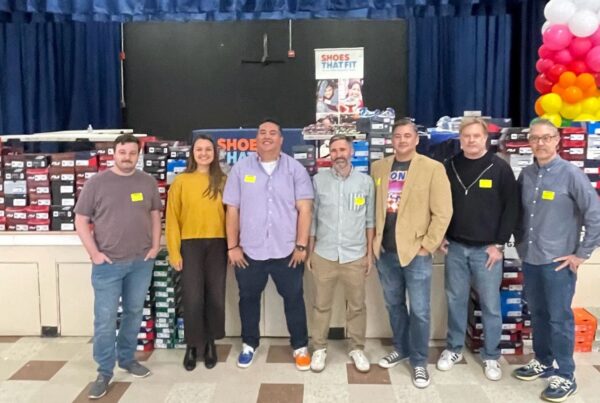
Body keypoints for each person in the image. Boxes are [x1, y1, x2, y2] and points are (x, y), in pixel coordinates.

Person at [513, 119, 600, 402]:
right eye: (535, 138)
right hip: (531, 258)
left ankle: (565, 375)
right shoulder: (525, 175)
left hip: (558, 263)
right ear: (529, 142)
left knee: (559, 318)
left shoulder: (571, 174)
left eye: (546, 137)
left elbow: (594, 215)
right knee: (537, 315)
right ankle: (543, 360)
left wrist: (582, 254)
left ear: (558, 140)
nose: (540, 143)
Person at [74, 134, 161, 400]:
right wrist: (94, 253)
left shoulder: (147, 182)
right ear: (114, 153)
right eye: (122, 152)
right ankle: (104, 371)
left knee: (134, 312)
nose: (127, 157)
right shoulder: (97, 183)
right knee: (105, 320)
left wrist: (155, 247)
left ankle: (127, 359)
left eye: (132, 153)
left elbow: (156, 215)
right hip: (108, 265)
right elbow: (80, 219)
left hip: (140, 262)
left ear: (138, 154)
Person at [223, 118, 314, 371]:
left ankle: (300, 347)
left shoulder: (295, 169)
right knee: (248, 299)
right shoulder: (241, 170)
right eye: (262, 132)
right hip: (249, 252)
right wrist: (233, 246)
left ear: (281, 140)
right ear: (256, 139)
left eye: (273, 133)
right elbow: (232, 210)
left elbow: (305, 209)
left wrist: (301, 245)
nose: (267, 136)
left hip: (288, 251)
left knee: (294, 299)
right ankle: (249, 344)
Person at [371, 118, 452, 389]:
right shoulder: (378, 167)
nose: (402, 140)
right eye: (397, 136)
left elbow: (443, 212)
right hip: (386, 252)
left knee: (419, 310)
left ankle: (418, 362)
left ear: (416, 140)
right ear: (391, 140)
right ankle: (402, 348)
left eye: (408, 136)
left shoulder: (432, 169)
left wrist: (427, 245)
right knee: (394, 305)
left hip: (416, 252)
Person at [436, 117, 519, 381]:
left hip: (487, 251)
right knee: (455, 301)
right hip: (456, 248)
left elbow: (512, 209)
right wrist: (441, 236)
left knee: (491, 306)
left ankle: (491, 356)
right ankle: (453, 349)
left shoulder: (500, 168)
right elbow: (439, 204)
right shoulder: (449, 166)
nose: (471, 140)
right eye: (466, 136)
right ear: (460, 138)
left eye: (476, 136)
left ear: (486, 138)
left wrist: (499, 244)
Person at [308, 134, 375, 373]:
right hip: (324, 255)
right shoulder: (318, 181)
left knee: (356, 306)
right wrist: (310, 252)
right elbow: (313, 220)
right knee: (321, 305)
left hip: (355, 256)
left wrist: (369, 254)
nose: (339, 154)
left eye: (342, 150)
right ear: (329, 154)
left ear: (351, 152)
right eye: (334, 150)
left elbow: (369, 221)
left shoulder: (365, 182)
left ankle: (357, 348)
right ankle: (318, 349)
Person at [165, 134, 227, 371]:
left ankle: (210, 343)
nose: (203, 153)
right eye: (199, 149)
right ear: (192, 153)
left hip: (217, 244)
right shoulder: (181, 181)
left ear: (214, 153)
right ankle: (193, 345)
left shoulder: (223, 180)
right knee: (192, 297)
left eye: (208, 150)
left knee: (214, 296)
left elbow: (232, 216)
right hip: (189, 245)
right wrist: (174, 252)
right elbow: (172, 219)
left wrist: (233, 247)